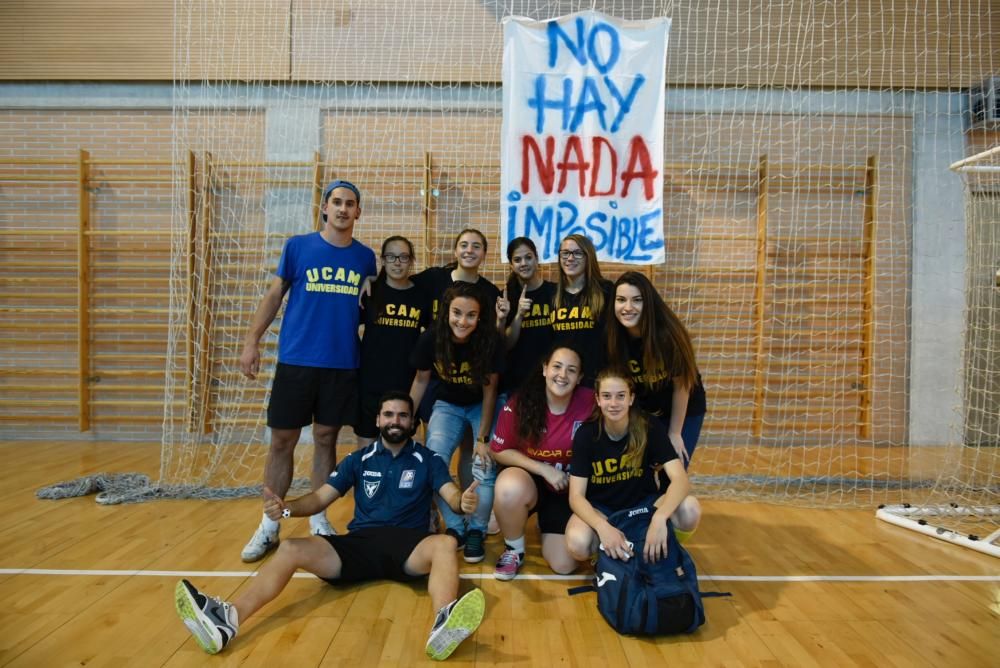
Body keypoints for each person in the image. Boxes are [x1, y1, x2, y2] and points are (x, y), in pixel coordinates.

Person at [175, 392, 485, 660]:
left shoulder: (427, 459)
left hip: (410, 547)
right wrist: (288, 509)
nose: (395, 420)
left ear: (412, 422)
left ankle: (444, 621)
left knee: (445, 544)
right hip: (361, 544)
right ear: (377, 420)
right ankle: (227, 619)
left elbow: (452, 496)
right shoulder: (358, 460)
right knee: (292, 547)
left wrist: (463, 504)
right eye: (389, 414)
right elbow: (320, 498)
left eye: (403, 416)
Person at [237, 180, 377, 562]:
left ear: (358, 212)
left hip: (342, 364)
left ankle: (318, 519)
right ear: (325, 208)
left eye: (351, 204)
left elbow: (371, 307)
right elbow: (273, 295)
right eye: (337, 202)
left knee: (326, 440)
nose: (344, 209)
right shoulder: (298, 247)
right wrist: (252, 341)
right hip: (296, 362)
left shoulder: (366, 258)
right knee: (281, 441)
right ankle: (269, 524)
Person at [564, 368, 701, 565]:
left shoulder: (648, 426)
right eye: (606, 396)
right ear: (598, 399)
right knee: (577, 543)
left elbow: (681, 480)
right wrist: (602, 527)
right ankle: (607, 558)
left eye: (620, 396)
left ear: (631, 398)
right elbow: (576, 497)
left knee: (690, 509)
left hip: (644, 507)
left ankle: (664, 548)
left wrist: (660, 518)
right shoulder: (586, 435)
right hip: (603, 510)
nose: (613, 403)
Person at [410, 283, 503, 564]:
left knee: (483, 464)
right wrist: (405, 418)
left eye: (471, 315)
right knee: (434, 459)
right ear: (446, 312)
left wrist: (483, 439)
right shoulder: (431, 339)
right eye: (457, 313)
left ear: (480, 317)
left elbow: (490, 392)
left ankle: (477, 529)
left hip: (480, 404)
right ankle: (455, 525)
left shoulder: (491, 341)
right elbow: (420, 380)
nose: (463, 321)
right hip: (448, 403)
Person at [490, 345, 593, 580]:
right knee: (508, 488)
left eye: (571, 370)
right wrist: (543, 469)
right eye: (556, 366)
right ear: (545, 369)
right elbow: (498, 449)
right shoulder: (521, 403)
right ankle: (514, 550)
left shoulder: (591, 402)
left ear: (579, 378)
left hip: (568, 491)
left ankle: (545, 524)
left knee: (564, 565)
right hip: (533, 483)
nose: (562, 375)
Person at [606, 271, 707, 467]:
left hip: (683, 408)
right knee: (641, 469)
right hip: (647, 409)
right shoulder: (613, 338)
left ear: (648, 303)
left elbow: (682, 386)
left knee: (672, 467)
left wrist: (675, 433)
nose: (628, 307)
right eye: (621, 300)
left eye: (637, 300)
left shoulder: (668, 335)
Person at [356, 235, 431, 447]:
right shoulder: (370, 292)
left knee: (401, 448)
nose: (397, 262)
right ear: (383, 260)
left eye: (403, 257)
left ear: (411, 261)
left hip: (405, 384)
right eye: (391, 257)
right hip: (370, 383)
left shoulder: (421, 296)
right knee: (367, 449)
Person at [550, 234, 612, 387]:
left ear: (588, 256)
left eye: (577, 253)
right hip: (564, 382)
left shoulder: (606, 290)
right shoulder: (552, 295)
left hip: (597, 380)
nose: (570, 258)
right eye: (565, 253)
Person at [499, 236, 555, 396]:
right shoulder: (506, 297)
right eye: (517, 259)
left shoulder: (555, 293)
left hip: (551, 382)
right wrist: (519, 315)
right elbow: (506, 345)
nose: (524, 263)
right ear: (511, 265)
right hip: (516, 383)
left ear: (537, 259)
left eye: (528, 257)